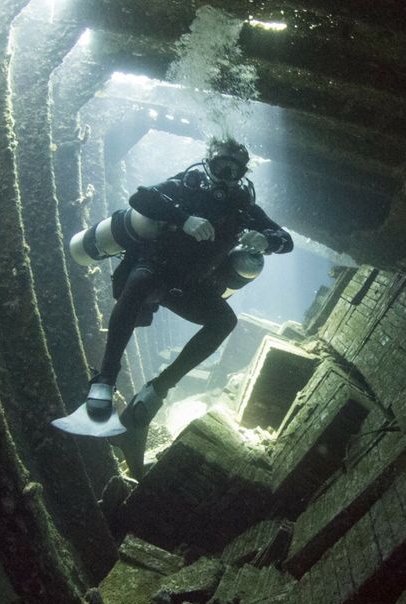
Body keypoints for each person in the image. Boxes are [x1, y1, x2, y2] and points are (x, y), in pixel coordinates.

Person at [84, 137, 292, 430]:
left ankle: (159, 389)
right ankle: (105, 379)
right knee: (138, 281)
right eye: (222, 167)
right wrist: (183, 218)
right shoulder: (187, 186)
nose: (228, 177)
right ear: (209, 163)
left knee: (224, 321)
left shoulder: (244, 210)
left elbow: (287, 241)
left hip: (190, 286)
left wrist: (266, 239)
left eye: (236, 171)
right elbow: (140, 198)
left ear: (244, 174)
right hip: (156, 269)